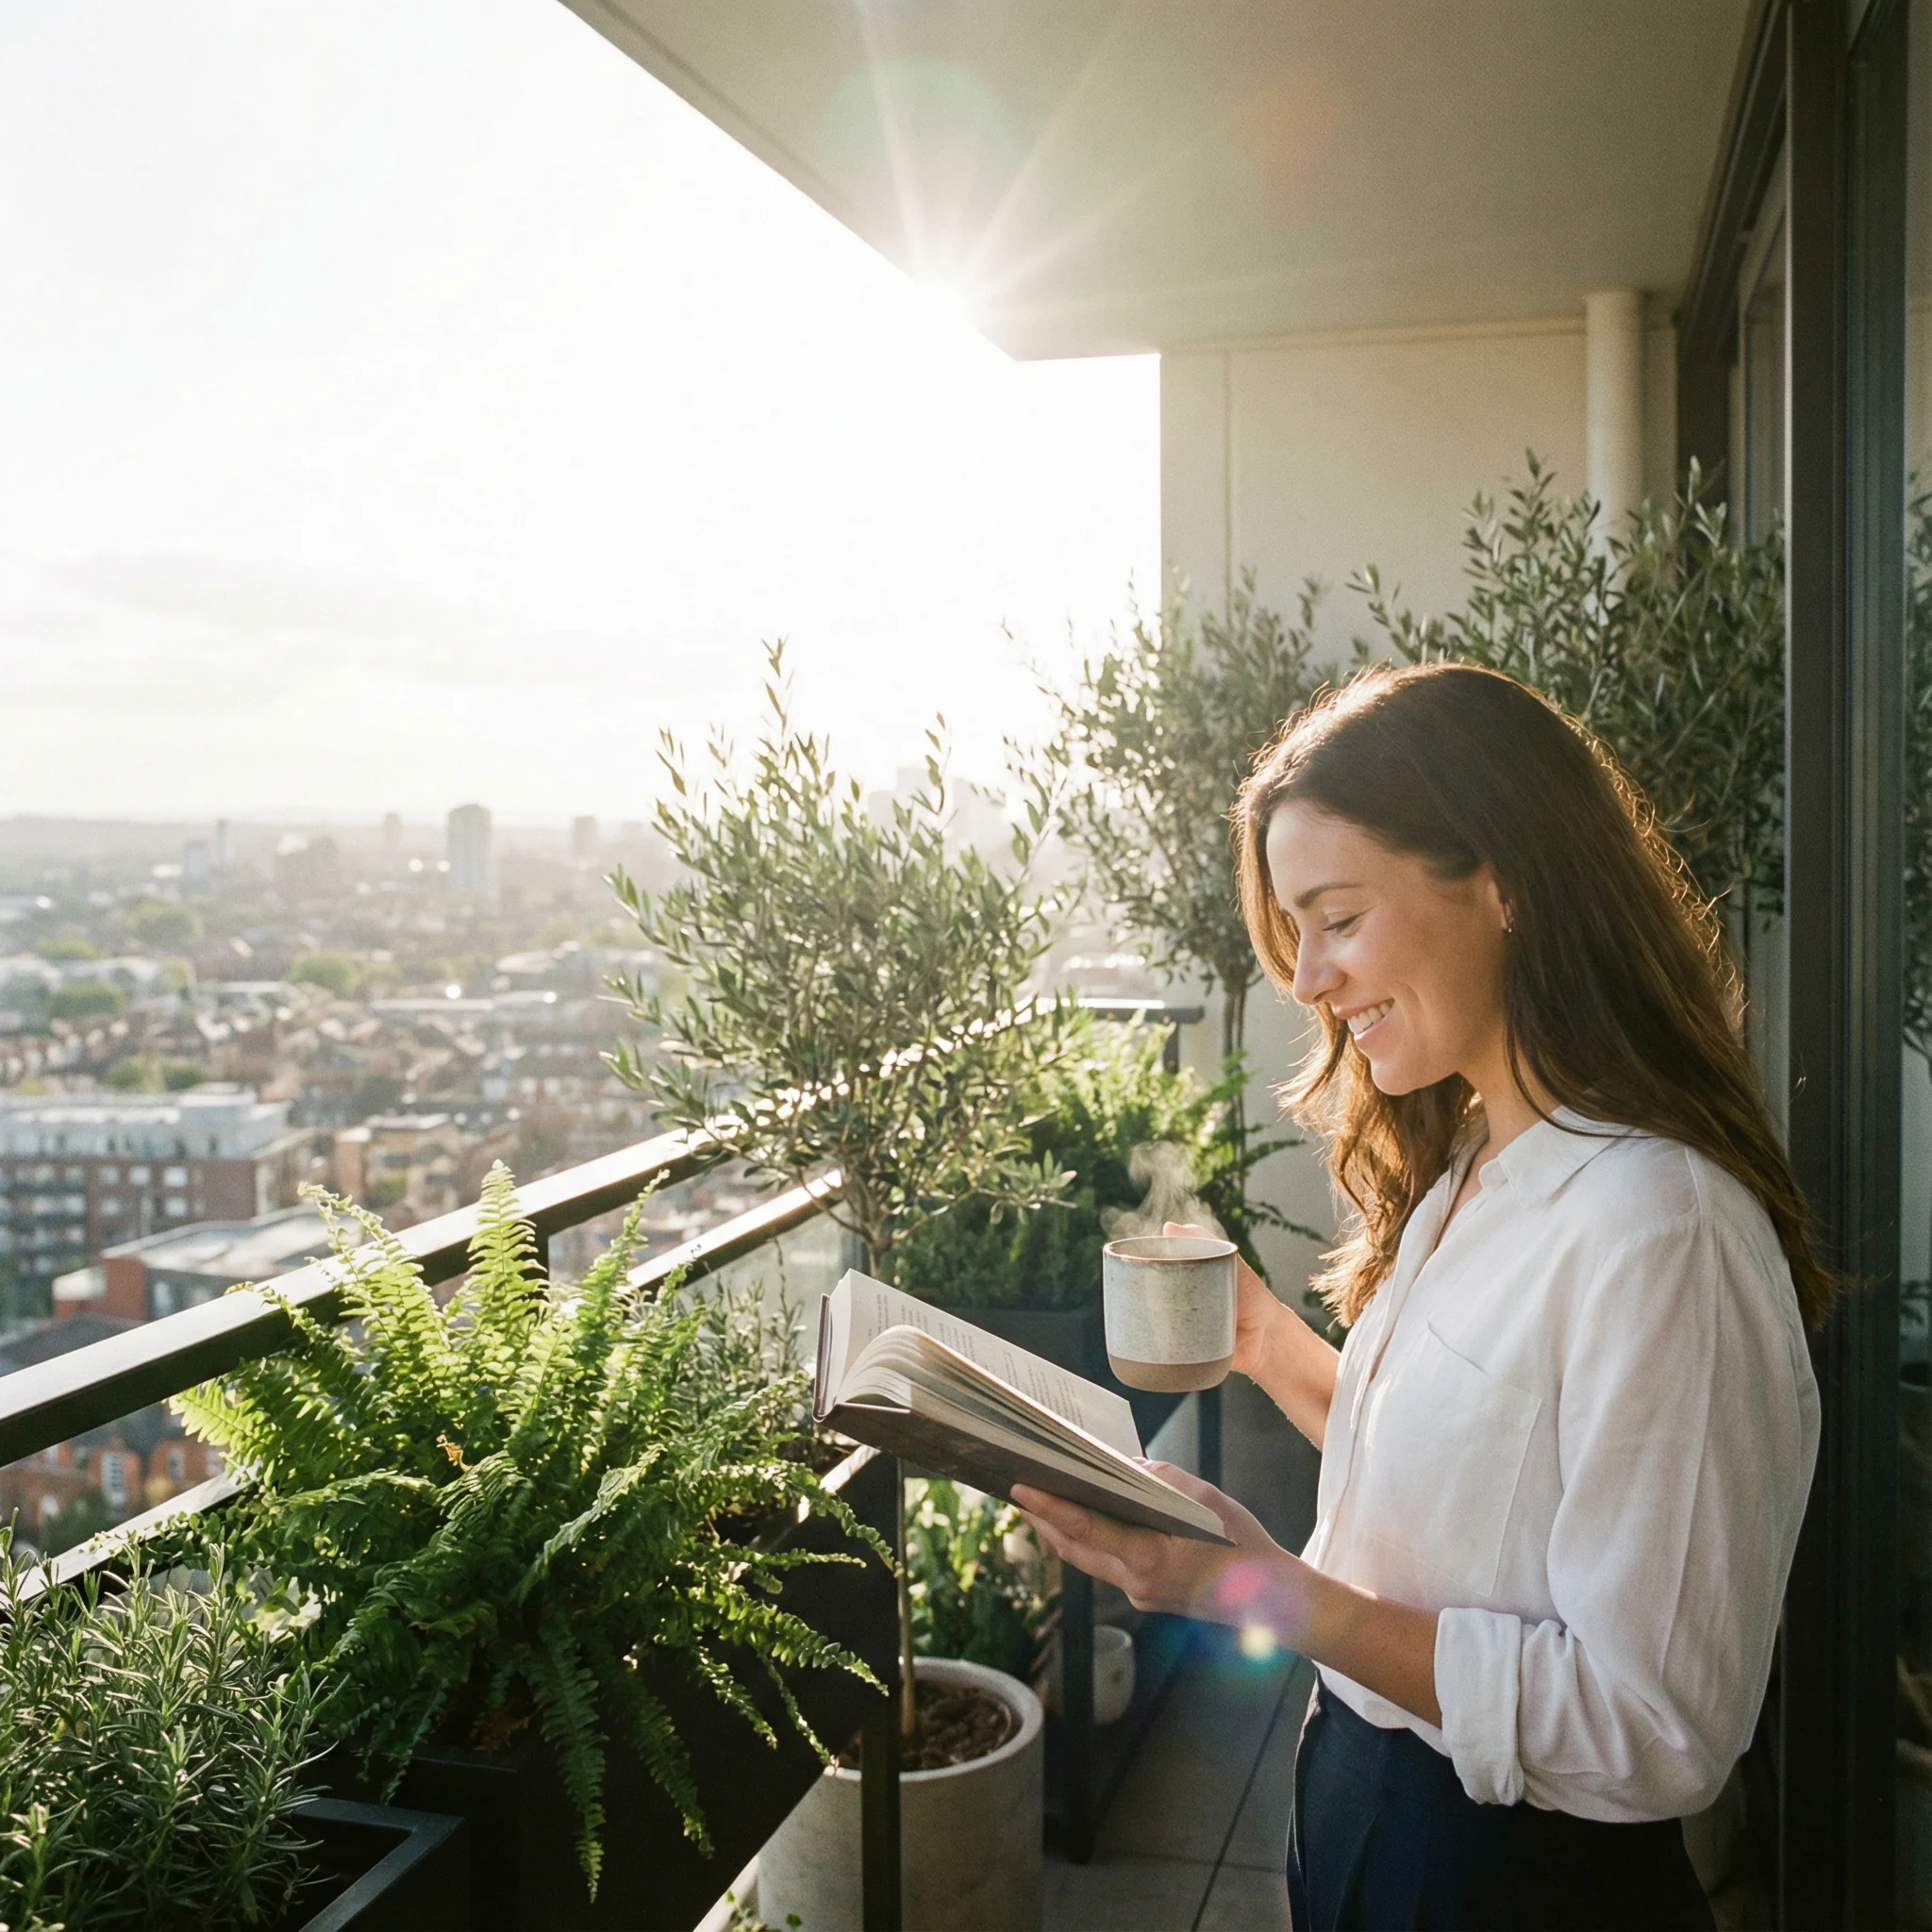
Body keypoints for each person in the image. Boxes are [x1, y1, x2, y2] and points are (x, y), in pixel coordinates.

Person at [1014, 661, 1824, 1931]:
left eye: (1335, 918)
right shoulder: (1472, 1167)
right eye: (1296, 936)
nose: (1311, 981)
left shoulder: (1659, 1231)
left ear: (1502, 880)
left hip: (1507, 1877)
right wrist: (1271, 1346)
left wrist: (1259, 1589)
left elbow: (1655, 1727)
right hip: (1354, 1797)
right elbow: (1481, 1496)